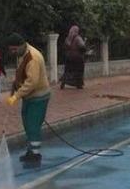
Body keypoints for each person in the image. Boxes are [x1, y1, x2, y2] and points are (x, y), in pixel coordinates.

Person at [5, 33, 51, 167]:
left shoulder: (33, 58)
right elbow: (22, 73)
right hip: (29, 97)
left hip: (39, 97)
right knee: (27, 124)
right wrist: (16, 84)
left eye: (14, 49)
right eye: (11, 50)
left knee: (33, 125)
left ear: (21, 46)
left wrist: (16, 96)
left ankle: (35, 155)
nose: (13, 52)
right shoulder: (22, 54)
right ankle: (31, 151)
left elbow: (32, 83)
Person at [61, 25, 86, 90]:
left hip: (68, 57)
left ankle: (63, 82)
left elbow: (65, 47)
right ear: (77, 31)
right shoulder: (78, 38)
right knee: (79, 71)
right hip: (77, 57)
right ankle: (79, 84)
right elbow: (82, 46)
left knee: (67, 71)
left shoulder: (67, 38)